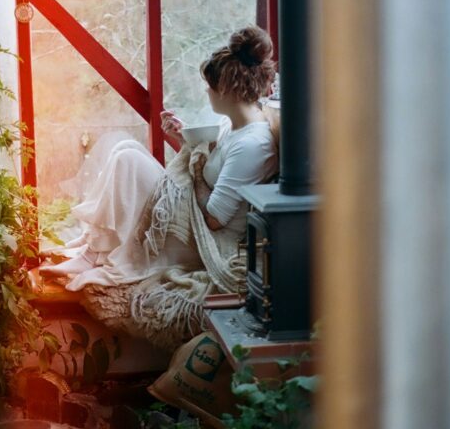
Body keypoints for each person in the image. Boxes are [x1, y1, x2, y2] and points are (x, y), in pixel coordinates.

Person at [40, 26, 278, 294]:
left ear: (227, 90)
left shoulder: (252, 145)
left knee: (129, 159)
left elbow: (214, 219)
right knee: (125, 147)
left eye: (210, 85)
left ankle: (94, 254)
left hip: (204, 240)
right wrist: (182, 139)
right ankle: (93, 247)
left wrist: (194, 161)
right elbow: (207, 169)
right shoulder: (231, 124)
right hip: (193, 219)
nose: (206, 91)